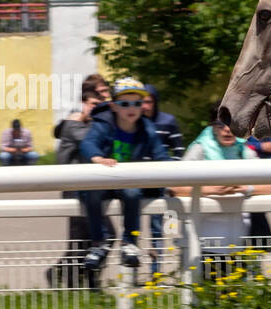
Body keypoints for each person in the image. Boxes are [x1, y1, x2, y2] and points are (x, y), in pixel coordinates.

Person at [168, 109, 271, 280]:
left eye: (234, 124)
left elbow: (270, 189)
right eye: (221, 125)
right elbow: (175, 188)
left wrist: (245, 188)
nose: (228, 130)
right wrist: (210, 190)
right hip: (204, 243)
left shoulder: (244, 149)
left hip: (242, 243)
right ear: (213, 127)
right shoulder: (199, 150)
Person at [78, 76, 171, 271]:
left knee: (132, 192)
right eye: (125, 103)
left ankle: (129, 243)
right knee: (92, 192)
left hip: (128, 182)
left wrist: (172, 172)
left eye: (137, 103)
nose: (132, 108)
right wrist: (97, 158)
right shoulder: (103, 124)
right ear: (113, 106)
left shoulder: (147, 129)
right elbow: (87, 143)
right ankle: (99, 242)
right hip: (103, 181)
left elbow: (161, 155)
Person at [47, 75, 111, 286]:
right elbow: (91, 143)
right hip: (74, 188)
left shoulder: (89, 123)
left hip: (89, 187)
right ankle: (73, 282)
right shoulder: (75, 124)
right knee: (85, 239)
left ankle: (87, 279)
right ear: (84, 103)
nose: (97, 107)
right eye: (94, 102)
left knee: (97, 236)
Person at [141, 84, 184, 275]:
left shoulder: (167, 121)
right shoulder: (134, 123)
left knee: (164, 226)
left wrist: (169, 173)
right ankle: (131, 270)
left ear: (155, 102)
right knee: (132, 228)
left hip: (161, 182)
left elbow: (178, 151)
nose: (144, 106)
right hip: (138, 181)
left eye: (148, 101)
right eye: (141, 102)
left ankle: (157, 269)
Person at [245, 126, 271, 243]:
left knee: (258, 210)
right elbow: (245, 144)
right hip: (253, 169)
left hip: (265, 170)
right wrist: (260, 146)